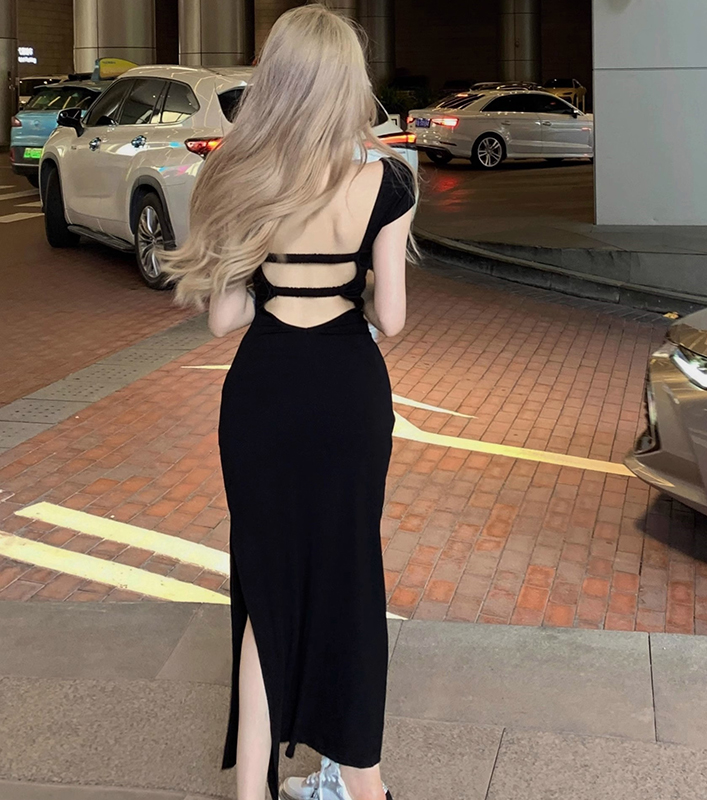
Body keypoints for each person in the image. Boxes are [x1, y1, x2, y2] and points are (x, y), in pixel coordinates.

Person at [159, 5, 418, 800]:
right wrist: (347, 286)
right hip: (345, 394)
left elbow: (224, 318)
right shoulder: (389, 181)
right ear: (346, 83)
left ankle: (252, 790)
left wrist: (276, 278)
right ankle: (364, 784)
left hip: (263, 395)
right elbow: (392, 319)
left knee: (264, 591)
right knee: (348, 578)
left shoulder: (237, 177)